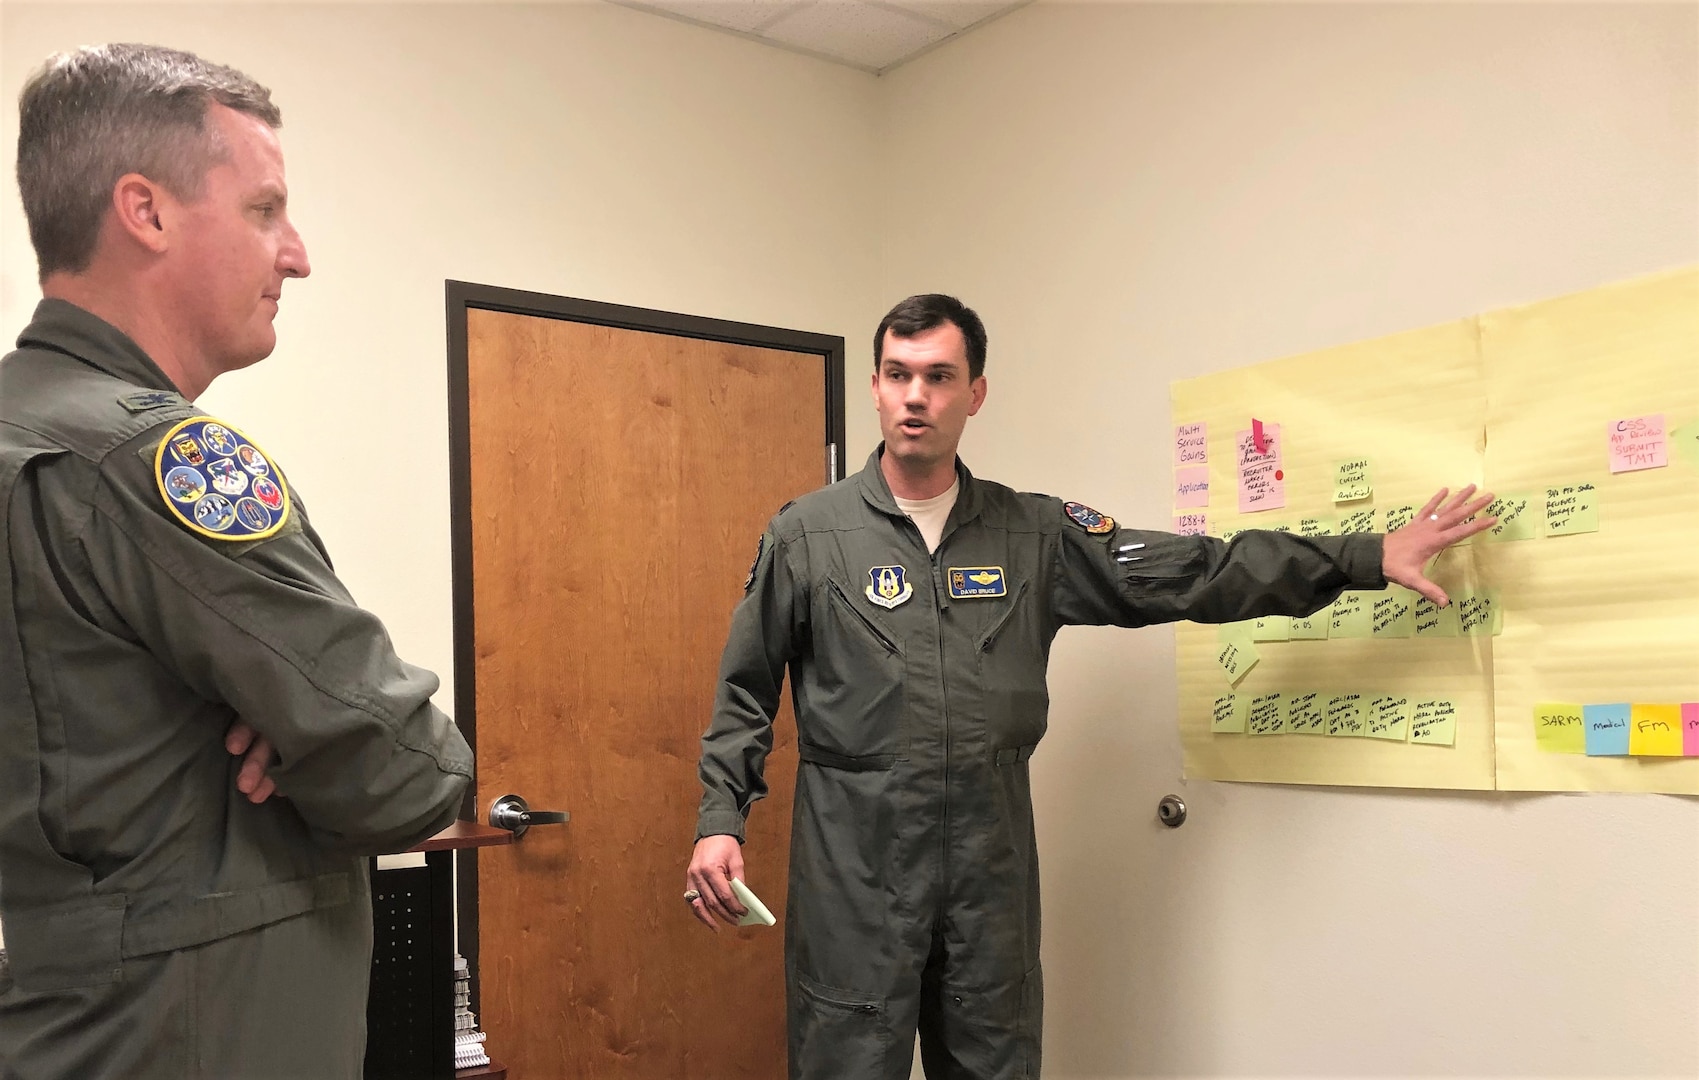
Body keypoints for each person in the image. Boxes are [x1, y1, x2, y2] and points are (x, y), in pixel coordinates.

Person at [685, 293, 1495, 1079]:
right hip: (853, 870)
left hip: (987, 870)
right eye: (897, 374)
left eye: (937, 376)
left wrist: (1362, 559)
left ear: (975, 393)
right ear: (873, 387)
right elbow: (746, 689)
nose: (915, 396)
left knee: (994, 1061)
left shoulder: (1033, 534)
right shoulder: (808, 535)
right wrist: (721, 819)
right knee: (845, 1061)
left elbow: (1195, 571)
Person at [0, 44, 472, 1078]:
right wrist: (314, 740)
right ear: (148, 212)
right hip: (195, 1033)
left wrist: (298, 723)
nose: (297, 254)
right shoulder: (150, 460)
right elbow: (407, 770)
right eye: (265, 210)